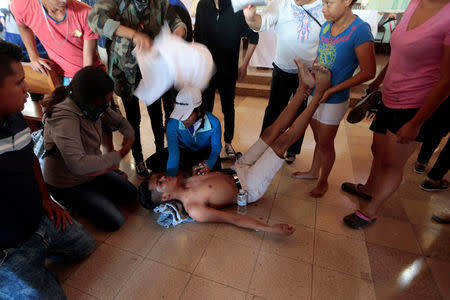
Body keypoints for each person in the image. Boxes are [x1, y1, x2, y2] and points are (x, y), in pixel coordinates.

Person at [141, 60, 331, 235]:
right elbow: (232, 218)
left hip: (237, 168)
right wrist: (269, 228)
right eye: (160, 182)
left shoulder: (184, 178)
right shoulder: (194, 208)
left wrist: (199, 168)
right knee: (281, 144)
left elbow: (212, 153)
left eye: (159, 176)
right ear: (165, 197)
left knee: (270, 132)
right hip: (249, 186)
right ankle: (318, 94)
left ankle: (302, 89)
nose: (164, 176)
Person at [341, 0, 450, 229]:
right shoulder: (415, 3)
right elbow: (400, 50)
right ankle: (369, 189)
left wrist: (417, 121)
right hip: (391, 94)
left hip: (416, 103)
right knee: (377, 150)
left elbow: (447, 81)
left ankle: (371, 210)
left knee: (392, 163)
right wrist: (379, 81)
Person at [0, 40, 94, 299]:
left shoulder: (15, 118)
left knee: (84, 245)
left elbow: (30, 159)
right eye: (19, 82)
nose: (27, 88)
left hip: (36, 220)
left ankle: (35, 262)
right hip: (8, 247)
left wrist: (44, 198)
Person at [88, 0, 187, 178]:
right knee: (133, 118)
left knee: (157, 116)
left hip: (152, 67)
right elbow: (95, 19)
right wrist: (134, 34)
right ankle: (138, 159)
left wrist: (178, 34)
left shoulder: (160, 3)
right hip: (125, 71)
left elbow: (177, 22)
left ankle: (159, 154)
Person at [290, 0, 376, 197]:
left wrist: (333, 89)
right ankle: (313, 172)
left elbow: (369, 71)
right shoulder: (327, 26)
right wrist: (309, 79)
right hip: (316, 92)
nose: (323, 8)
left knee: (326, 142)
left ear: (346, 2)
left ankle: (323, 180)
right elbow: (320, 56)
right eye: (323, 3)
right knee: (318, 138)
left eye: (328, 3)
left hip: (335, 98)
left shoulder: (360, 30)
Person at [43, 66, 138, 231]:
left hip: (91, 174)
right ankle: (73, 202)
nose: (107, 105)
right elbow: (78, 165)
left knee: (130, 194)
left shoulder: (94, 104)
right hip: (67, 182)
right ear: (91, 98)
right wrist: (118, 155)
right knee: (114, 221)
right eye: (105, 100)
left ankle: (92, 196)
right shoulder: (64, 116)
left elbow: (120, 122)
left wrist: (128, 137)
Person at [243, 0, 325, 164]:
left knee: (301, 111)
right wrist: (251, 18)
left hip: (310, 72)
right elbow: (261, 22)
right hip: (283, 68)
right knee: (274, 109)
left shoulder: (325, 5)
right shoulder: (281, 3)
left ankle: (292, 149)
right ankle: (264, 144)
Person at [194, 0, 258, 159]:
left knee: (228, 108)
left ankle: (228, 142)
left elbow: (254, 37)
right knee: (205, 108)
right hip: (207, 70)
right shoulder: (203, 5)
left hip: (228, 70)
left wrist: (244, 65)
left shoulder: (238, 8)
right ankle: (206, 142)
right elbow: (198, 37)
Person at [10, 0, 103, 85]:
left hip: (85, 73)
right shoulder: (22, 5)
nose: (64, 1)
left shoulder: (87, 13)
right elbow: (22, 26)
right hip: (57, 73)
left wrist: (84, 82)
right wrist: (33, 56)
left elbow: (88, 63)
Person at [145, 87, 222, 176]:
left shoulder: (214, 122)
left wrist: (209, 164)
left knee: (217, 172)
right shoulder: (172, 124)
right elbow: (174, 153)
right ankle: (190, 171)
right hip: (184, 151)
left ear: (199, 112)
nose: (183, 119)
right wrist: (171, 178)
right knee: (152, 162)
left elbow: (216, 148)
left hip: (204, 153)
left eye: (187, 115)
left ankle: (190, 170)